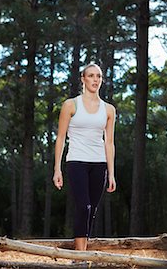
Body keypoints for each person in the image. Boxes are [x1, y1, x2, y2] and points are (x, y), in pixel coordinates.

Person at [53, 63, 116, 251]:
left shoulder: (108, 110)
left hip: (100, 164)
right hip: (76, 161)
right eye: (91, 76)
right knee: (84, 207)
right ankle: (80, 257)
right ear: (83, 78)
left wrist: (111, 174)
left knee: (92, 211)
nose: (95, 79)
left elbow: (109, 143)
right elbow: (61, 138)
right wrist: (57, 168)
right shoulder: (70, 105)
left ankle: (82, 253)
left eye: (98, 76)